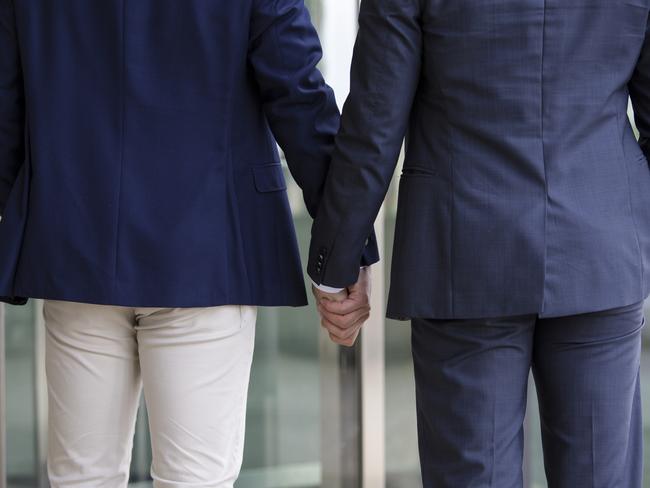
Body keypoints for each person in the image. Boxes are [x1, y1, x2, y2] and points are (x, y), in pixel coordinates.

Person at [0, 1, 376, 486]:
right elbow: (298, 94)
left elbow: (7, 105)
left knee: (80, 478)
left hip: (77, 247)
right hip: (205, 251)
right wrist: (342, 253)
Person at [310, 0, 650, 486]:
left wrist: (338, 265)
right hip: (600, 251)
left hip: (464, 253)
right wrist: (627, 225)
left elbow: (375, 120)